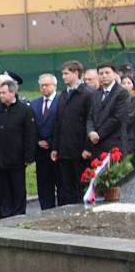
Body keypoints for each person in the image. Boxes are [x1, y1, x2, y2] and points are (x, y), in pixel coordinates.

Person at [0, 80, 37, 218]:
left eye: (4, 92)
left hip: (17, 158)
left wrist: (29, 157)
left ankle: (18, 212)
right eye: (0, 92)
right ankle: (6, 212)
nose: (1, 95)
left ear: (13, 92)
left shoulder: (24, 110)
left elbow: (30, 135)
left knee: (18, 188)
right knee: (3, 188)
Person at [51, 60, 94, 205]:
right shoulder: (63, 95)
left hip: (80, 150)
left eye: (66, 73)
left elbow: (90, 121)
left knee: (81, 185)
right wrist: (55, 147)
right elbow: (58, 122)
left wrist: (88, 147)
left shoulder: (87, 94)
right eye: (62, 74)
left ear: (76, 73)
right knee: (67, 186)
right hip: (64, 150)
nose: (63, 77)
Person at [87, 62, 130, 156]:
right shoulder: (96, 94)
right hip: (97, 147)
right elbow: (90, 116)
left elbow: (117, 118)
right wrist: (91, 132)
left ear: (114, 74)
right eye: (101, 73)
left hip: (115, 146)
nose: (104, 75)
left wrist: (98, 135)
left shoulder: (122, 93)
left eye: (107, 72)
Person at [32, 74, 61, 210]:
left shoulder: (61, 101)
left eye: (47, 85)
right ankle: (46, 211)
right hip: (41, 152)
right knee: (44, 185)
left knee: (61, 184)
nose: (44, 88)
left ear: (54, 86)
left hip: (57, 150)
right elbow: (31, 126)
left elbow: (62, 125)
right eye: (41, 85)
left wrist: (52, 142)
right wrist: (37, 141)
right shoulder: (34, 104)